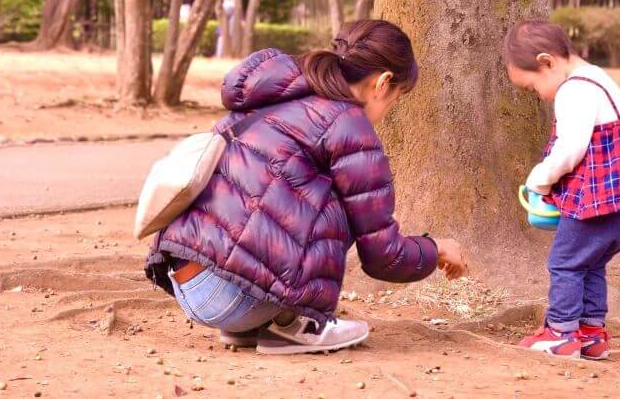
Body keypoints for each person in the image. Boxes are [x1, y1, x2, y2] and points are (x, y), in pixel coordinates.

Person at [146, 19, 467, 355]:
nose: (389, 110)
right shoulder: (349, 124)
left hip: (185, 279)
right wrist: (437, 249)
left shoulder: (276, 96)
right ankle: (291, 322)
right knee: (343, 200)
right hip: (231, 296)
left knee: (282, 186)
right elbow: (382, 256)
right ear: (384, 82)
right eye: (396, 98)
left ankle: (258, 323)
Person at [503, 19, 620, 360]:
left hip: (595, 206)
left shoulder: (573, 89)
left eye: (533, 88)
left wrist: (539, 179)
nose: (538, 96)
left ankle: (561, 333)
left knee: (565, 264)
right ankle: (591, 334)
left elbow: (570, 148)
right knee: (590, 265)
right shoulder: (600, 79)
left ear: (547, 62)